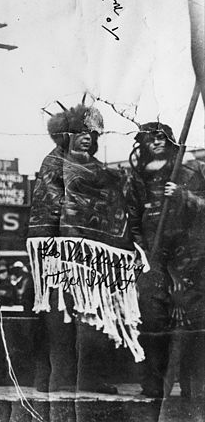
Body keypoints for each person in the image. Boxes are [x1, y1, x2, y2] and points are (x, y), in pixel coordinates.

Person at [27, 103, 145, 394]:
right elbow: (49, 202)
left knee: (93, 316)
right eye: (80, 132)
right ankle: (55, 376)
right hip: (60, 252)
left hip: (97, 255)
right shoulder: (53, 163)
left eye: (92, 133)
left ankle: (89, 377)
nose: (87, 138)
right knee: (59, 316)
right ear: (66, 134)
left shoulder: (104, 172)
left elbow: (116, 204)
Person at [126, 121, 205, 399]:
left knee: (193, 321)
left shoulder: (191, 169)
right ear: (143, 144)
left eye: (162, 138)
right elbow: (132, 217)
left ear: (171, 141)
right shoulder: (137, 177)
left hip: (189, 257)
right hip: (153, 258)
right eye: (151, 139)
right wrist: (141, 251)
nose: (157, 142)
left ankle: (194, 388)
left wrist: (183, 195)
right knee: (152, 318)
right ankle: (154, 384)